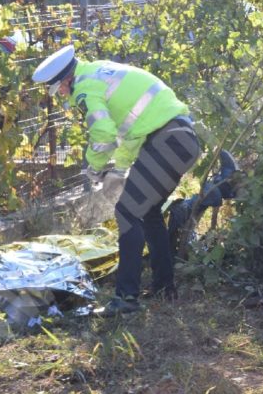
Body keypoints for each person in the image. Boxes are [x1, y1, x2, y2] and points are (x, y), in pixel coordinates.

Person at [32, 45, 201, 315]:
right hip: (180, 139)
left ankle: (126, 299)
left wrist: (95, 168)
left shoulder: (85, 87)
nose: (62, 96)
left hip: (167, 141)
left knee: (126, 212)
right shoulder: (100, 71)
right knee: (148, 213)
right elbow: (133, 131)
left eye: (58, 90)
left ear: (65, 79)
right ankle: (163, 288)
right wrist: (119, 170)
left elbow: (103, 133)